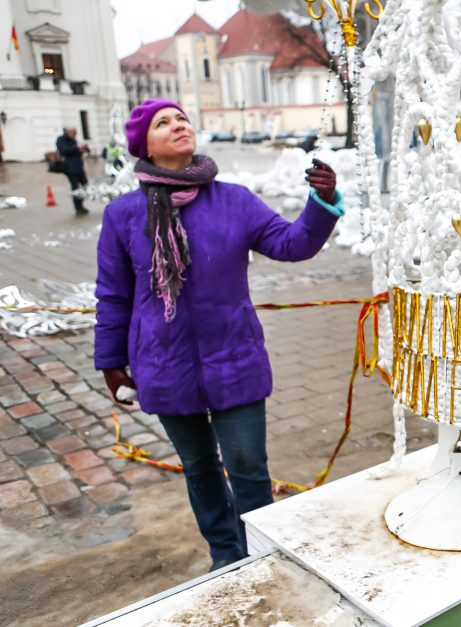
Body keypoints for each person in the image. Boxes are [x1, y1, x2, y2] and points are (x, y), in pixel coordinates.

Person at [93, 98, 344, 571]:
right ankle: (227, 557)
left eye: (182, 118)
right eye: (162, 123)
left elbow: (292, 245)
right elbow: (113, 295)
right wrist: (110, 361)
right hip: (163, 366)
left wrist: (321, 204)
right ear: (142, 145)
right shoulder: (123, 215)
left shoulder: (235, 200)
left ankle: (263, 555)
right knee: (201, 468)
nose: (178, 125)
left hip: (235, 358)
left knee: (248, 466)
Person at [56, 127, 89, 215]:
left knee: (85, 185)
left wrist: (82, 150)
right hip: (70, 168)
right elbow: (64, 150)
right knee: (75, 187)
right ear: (69, 132)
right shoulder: (61, 139)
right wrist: (77, 148)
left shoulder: (73, 139)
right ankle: (78, 207)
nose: (74, 135)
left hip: (79, 167)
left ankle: (81, 205)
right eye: (73, 133)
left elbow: (75, 151)